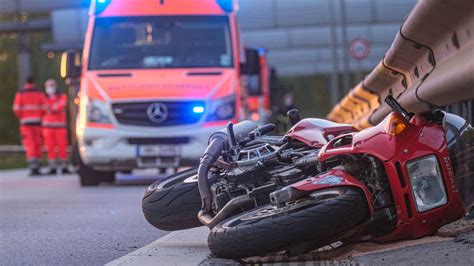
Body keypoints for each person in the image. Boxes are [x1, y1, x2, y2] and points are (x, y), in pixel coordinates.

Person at [13, 77, 46, 176]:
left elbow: (16, 109)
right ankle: (38, 165)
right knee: (38, 144)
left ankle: (33, 166)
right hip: (37, 122)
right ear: (34, 83)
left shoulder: (21, 94)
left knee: (30, 145)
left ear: (26, 83)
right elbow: (44, 107)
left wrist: (23, 117)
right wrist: (39, 116)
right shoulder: (39, 93)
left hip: (26, 123)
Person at [42, 79, 70, 175]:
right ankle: (52, 167)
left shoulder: (62, 96)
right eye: (48, 86)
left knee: (62, 147)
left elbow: (59, 107)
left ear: (55, 86)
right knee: (50, 148)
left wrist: (51, 107)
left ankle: (64, 167)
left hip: (60, 127)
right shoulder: (43, 98)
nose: (50, 87)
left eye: (52, 85)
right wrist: (52, 107)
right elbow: (44, 107)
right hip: (48, 128)